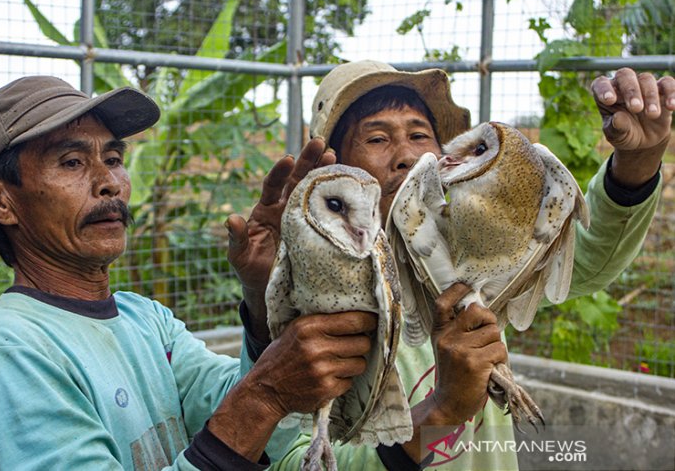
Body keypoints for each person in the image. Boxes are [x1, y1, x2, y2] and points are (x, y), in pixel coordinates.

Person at [225, 60, 675, 470]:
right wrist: (442, 412)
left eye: (420, 135)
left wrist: (638, 159)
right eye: (377, 138)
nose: (407, 153)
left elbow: (588, 257)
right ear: (337, 166)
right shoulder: (322, 307)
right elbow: (288, 461)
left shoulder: (462, 256)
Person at [0, 76, 379, 470]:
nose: (110, 182)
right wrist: (265, 395)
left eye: (113, 157)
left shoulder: (144, 320)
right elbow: (252, 407)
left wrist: (266, 298)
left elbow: (253, 424)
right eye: (72, 162)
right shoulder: (10, 354)